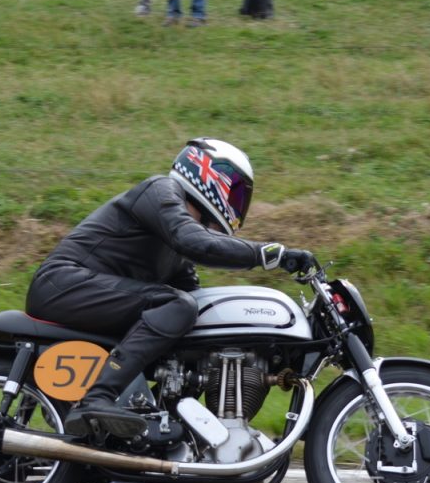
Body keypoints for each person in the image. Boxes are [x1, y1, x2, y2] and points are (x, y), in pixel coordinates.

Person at [25, 138, 313, 438]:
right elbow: (194, 242)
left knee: (191, 319)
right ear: (208, 173)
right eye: (236, 191)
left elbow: (196, 299)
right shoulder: (161, 191)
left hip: (84, 294)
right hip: (63, 284)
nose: (238, 203)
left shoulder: (177, 249)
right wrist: (267, 254)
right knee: (177, 305)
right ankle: (97, 398)